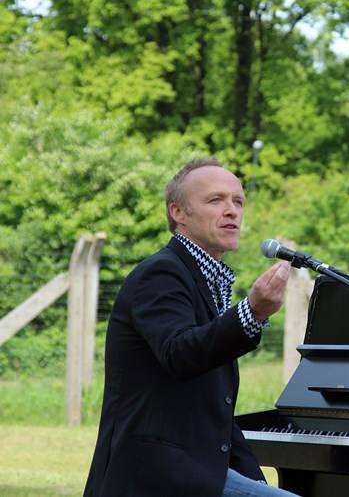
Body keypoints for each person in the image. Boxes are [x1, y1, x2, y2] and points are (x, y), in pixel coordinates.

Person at [84, 159, 298, 497]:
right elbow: (181, 353)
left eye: (238, 201)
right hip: (155, 473)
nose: (232, 211)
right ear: (178, 212)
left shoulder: (207, 278)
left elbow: (217, 405)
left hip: (195, 467)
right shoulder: (160, 274)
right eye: (216, 200)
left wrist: (254, 477)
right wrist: (251, 312)